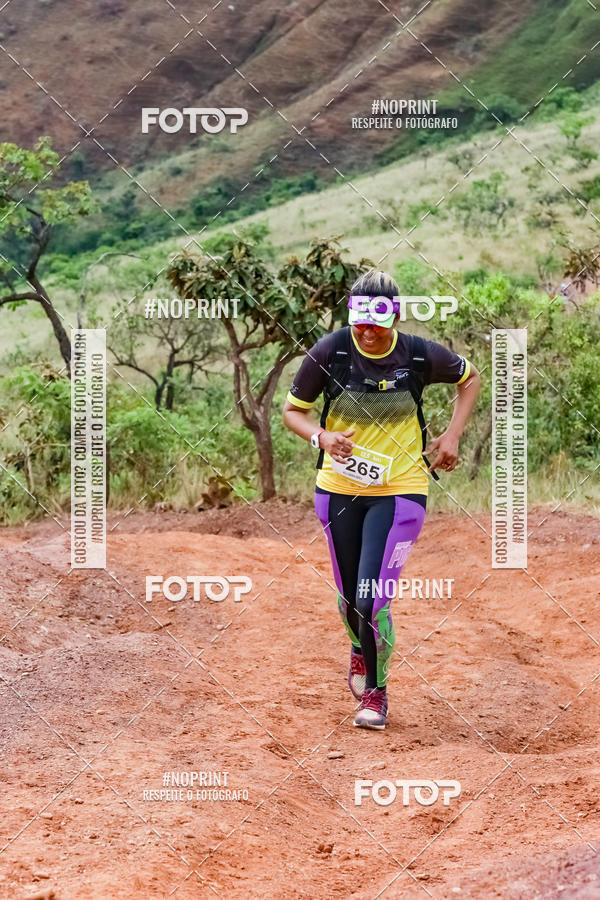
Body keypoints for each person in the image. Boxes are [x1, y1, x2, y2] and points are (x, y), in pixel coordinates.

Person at [282, 269, 480, 730]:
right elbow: (293, 412)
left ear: (394, 318)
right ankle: (359, 646)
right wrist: (322, 437)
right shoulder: (331, 350)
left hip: (401, 489)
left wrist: (451, 436)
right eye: (360, 324)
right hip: (338, 490)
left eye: (378, 324)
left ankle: (376, 692)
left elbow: (470, 380)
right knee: (349, 599)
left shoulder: (416, 354)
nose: (368, 333)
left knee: (372, 599)